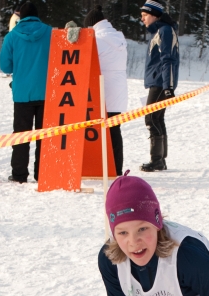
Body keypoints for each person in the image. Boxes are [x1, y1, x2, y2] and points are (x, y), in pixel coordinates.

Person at [0, 1, 52, 183]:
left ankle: (19, 174)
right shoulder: (50, 32)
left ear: (20, 16)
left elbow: (5, 66)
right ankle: (42, 173)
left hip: (22, 93)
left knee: (21, 135)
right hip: (47, 93)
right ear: (37, 15)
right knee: (44, 136)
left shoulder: (12, 36)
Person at [84, 5, 128, 177]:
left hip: (104, 91)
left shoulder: (99, 40)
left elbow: (87, 61)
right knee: (115, 131)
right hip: (118, 91)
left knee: (102, 132)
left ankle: (102, 167)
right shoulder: (118, 38)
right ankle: (116, 168)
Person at [139, 1, 179, 172]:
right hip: (158, 81)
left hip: (160, 83)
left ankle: (157, 160)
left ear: (154, 15)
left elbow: (168, 59)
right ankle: (160, 160)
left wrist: (168, 86)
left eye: (145, 15)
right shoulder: (159, 31)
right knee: (157, 118)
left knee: (151, 118)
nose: (142, 19)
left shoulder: (165, 31)